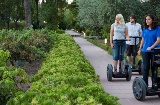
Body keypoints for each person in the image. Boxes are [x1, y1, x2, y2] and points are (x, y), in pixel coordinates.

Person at [138, 14, 160, 87]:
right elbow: (143, 40)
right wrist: (140, 49)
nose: (147, 21)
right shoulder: (145, 29)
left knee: (154, 68)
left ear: (153, 20)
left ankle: (155, 85)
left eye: (149, 19)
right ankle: (145, 85)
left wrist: (151, 47)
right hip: (145, 51)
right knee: (145, 68)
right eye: (146, 19)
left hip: (155, 51)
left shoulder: (157, 28)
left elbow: (158, 40)